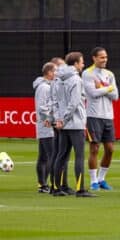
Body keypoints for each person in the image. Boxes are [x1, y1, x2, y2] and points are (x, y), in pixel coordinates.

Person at [53, 52, 95, 197]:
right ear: (76, 64)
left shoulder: (57, 79)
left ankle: (57, 188)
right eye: (82, 62)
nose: (83, 65)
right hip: (75, 124)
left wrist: (59, 119)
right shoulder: (76, 79)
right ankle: (80, 189)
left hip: (62, 125)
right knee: (79, 156)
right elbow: (74, 102)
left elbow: (55, 102)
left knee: (61, 155)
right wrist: (64, 119)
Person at [82, 47, 118, 191]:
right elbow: (92, 93)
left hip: (108, 116)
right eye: (102, 57)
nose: (105, 60)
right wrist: (108, 88)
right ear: (94, 58)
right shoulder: (87, 73)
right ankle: (93, 181)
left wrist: (104, 87)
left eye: (106, 57)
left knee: (110, 149)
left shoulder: (109, 74)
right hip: (93, 116)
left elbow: (115, 96)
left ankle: (102, 179)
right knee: (94, 148)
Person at [48, 57, 71, 195]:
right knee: (59, 154)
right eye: (61, 67)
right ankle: (56, 185)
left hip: (59, 119)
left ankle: (61, 184)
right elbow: (54, 103)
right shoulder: (56, 84)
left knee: (61, 154)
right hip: (58, 121)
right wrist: (55, 119)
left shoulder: (58, 83)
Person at [33, 62, 56, 193]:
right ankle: (51, 184)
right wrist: (48, 119)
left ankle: (43, 184)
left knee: (44, 156)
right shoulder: (44, 87)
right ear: (49, 72)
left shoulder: (45, 86)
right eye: (55, 71)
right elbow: (42, 106)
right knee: (51, 156)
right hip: (46, 126)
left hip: (44, 125)